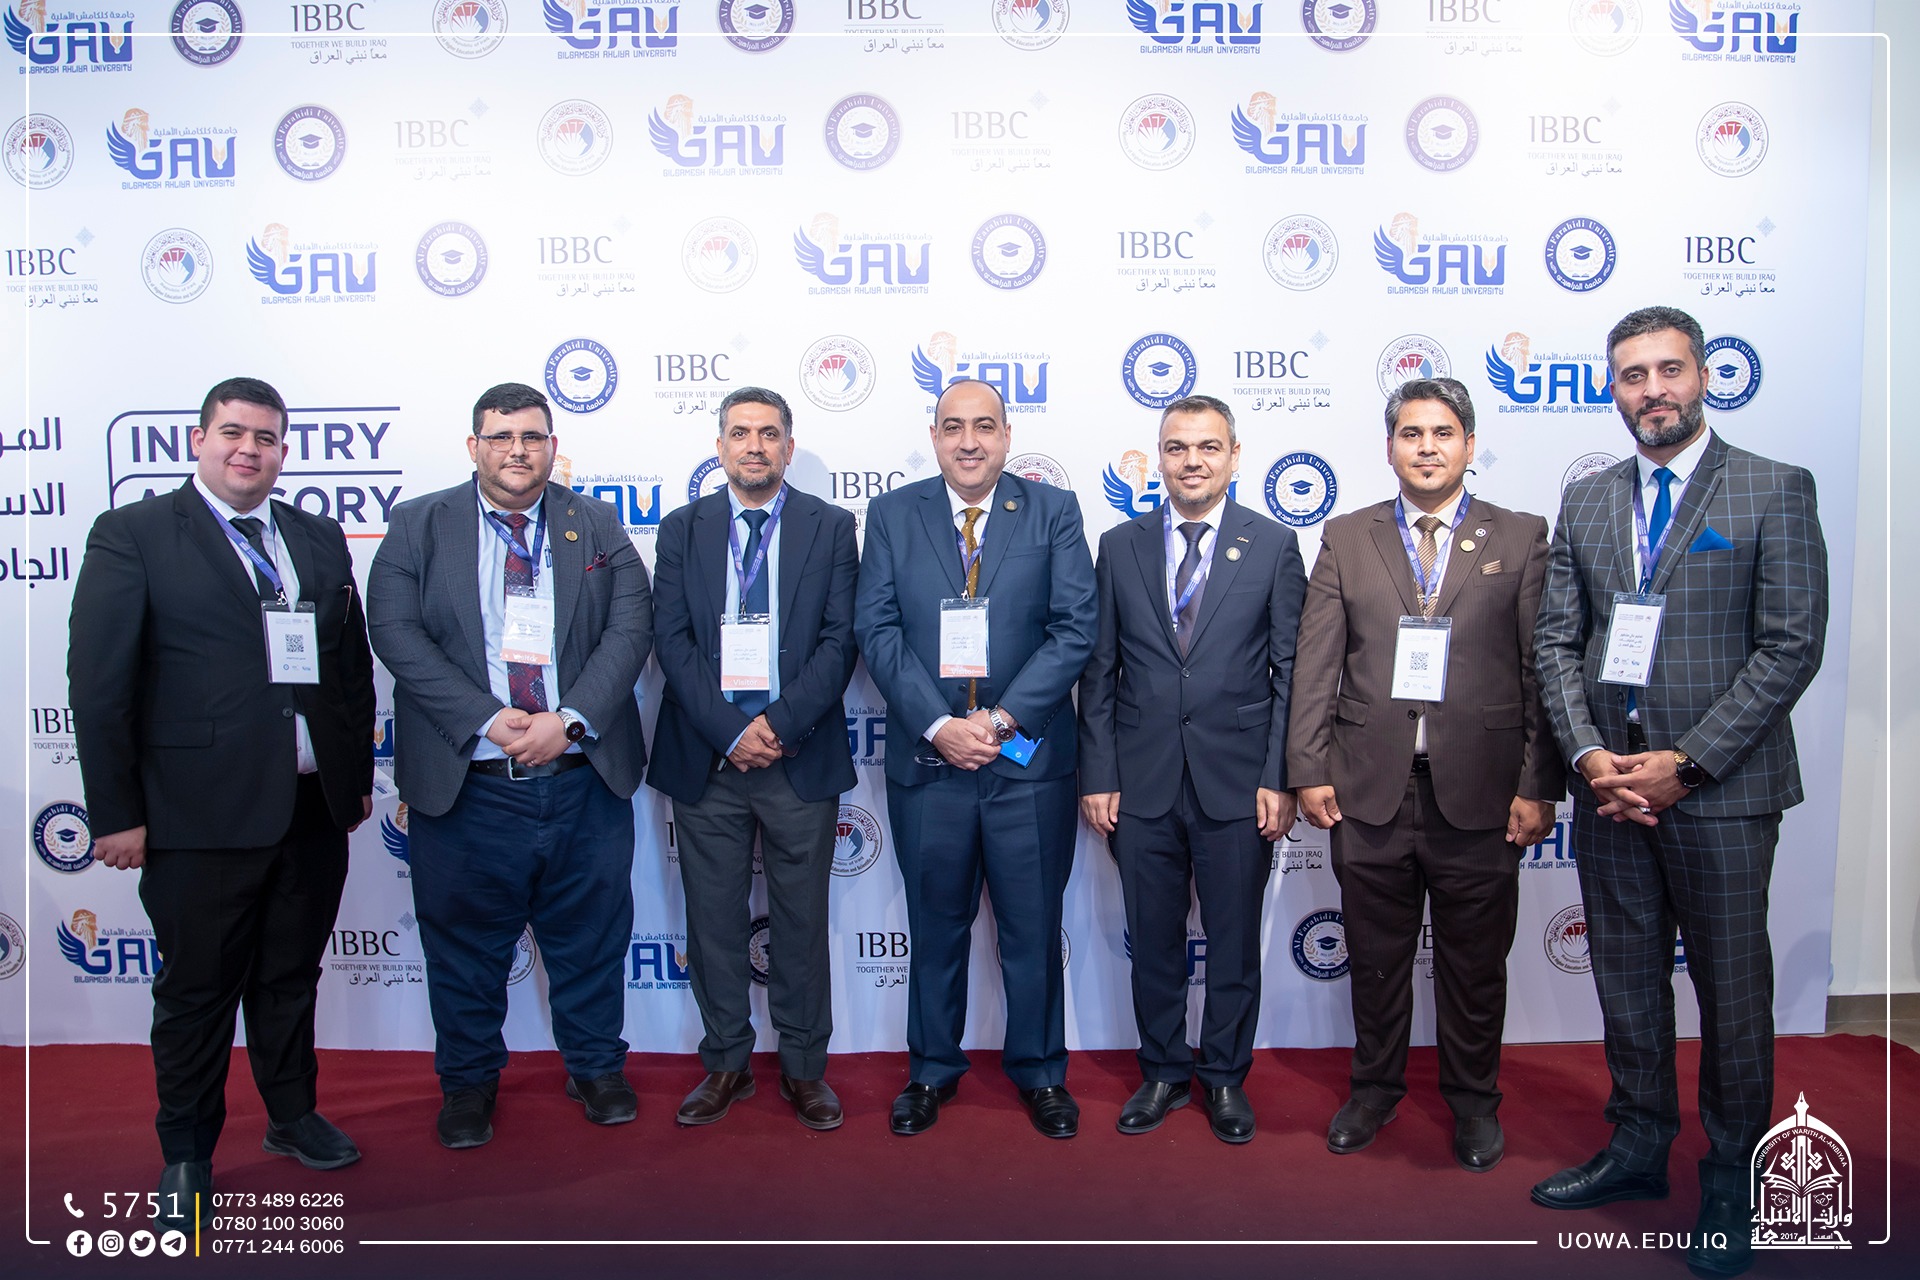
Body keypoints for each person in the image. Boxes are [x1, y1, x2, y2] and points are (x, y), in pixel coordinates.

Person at [1530, 306, 1828, 1277]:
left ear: (1703, 376)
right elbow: (1557, 643)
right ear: (1612, 389)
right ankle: (1637, 1144)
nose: (1651, 390)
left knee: (1733, 995)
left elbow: (1789, 647)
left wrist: (1686, 763)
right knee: (1625, 981)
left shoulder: (1773, 487)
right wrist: (1589, 758)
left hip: (1721, 795)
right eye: (1632, 375)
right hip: (1611, 792)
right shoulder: (1588, 501)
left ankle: (1733, 1179)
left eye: (1668, 370)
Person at [68, 376, 375, 1233]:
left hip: (311, 806)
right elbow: (99, 685)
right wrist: (115, 813)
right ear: (198, 440)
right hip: (195, 813)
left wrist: (352, 775)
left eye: (266, 438)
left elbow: (348, 665)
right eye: (233, 433)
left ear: (284, 450)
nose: (250, 450)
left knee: (290, 978)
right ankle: (187, 1151)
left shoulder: (314, 536)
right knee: (198, 991)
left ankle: (292, 1115)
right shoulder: (133, 534)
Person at [366, 382, 652, 1149]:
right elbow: (394, 633)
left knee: (592, 940)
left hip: (582, 780)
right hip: (468, 785)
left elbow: (631, 628)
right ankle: (467, 1084)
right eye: (501, 437)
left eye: (532, 437)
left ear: (553, 447)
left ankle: (596, 1068)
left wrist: (569, 720)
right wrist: (486, 718)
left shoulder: (595, 524)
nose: (517, 451)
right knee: (463, 951)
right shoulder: (419, 524)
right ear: (474, 446)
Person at [1287, 377, 1557, 1172]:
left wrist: (1538, 782)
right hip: (1369, 788)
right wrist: (1307, 766)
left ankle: (1474, 1103)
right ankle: (1374, 1091)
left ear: (1470, 445)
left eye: (1443, 433)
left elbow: (1541, 668)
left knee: (1475, 966)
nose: (1427, 447)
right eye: (1412, 433)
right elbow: (1317, 662)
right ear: (1390, 447)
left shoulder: (1521, 535)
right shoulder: (1348, 536)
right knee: (1376, 960)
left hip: (1483, 791)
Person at [854, 378, 1097, 1138]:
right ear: (933, 436)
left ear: (1007, 435)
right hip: (931, 767)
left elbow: (1074, 628)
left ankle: (1041, 1073)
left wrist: (998, 718)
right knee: (935, 930)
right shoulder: (893, 515)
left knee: (1033, 930)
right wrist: (937, 725)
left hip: (1027, 764)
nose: (969, 441)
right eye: (953, 426)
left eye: (984, 426)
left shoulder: (1053, 511)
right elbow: (877, 630)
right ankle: (930, 1070)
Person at [1076, 394, 1304, 1143]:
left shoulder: (1273, 545)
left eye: (1208, 447)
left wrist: (1279, 775)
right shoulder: (1120, 545)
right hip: (1140, 784)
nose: (1192, 461)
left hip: (1239, 784)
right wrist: (1098, 774)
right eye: (1177, 447)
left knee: (1234, 943)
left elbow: (1290, 673)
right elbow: (1099, 671)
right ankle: (1164, 1071)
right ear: (1160, 459)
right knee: (1153, 940)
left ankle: (1226, 1077)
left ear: (1235, 456)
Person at [648, 386, 859, 1131]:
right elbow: (670, 640)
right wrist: (729, 732)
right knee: (712, 920)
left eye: (769, 434)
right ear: (720, 447)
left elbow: (840, 640)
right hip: (707, 759)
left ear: (789, 448)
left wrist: (775, 724)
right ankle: (726, 1064)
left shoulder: (831, 526)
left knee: (801, 921)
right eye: (740, 433)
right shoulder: (683, 529)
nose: (755, 446)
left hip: (798, 755)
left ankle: (804, 1068)